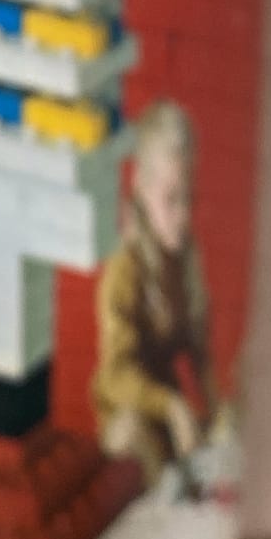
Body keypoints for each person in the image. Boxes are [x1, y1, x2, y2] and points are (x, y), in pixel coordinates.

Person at [91, 101, 221, 490]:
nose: (184, 215)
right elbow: (114, 377)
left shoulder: (184, 259)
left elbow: (200, 353)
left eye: (189, 198)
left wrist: (215, 410)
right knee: (132, 436)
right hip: (131, 423)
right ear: (141, 190)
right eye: (171, 199)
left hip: (171, 421)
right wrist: (172, 406)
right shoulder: (125, 268)